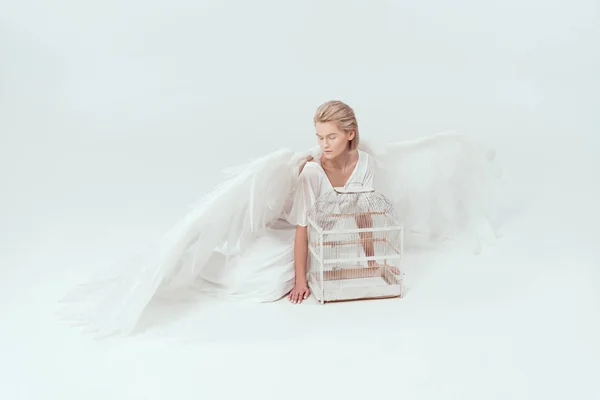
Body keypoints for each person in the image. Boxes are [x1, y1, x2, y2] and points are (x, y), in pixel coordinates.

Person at [59, 100, 501, 337]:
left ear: (350, 135)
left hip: (335, 238)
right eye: (318, 136)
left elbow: (367, 216)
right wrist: (303, 279)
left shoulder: (364, 165)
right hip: (299, 237)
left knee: (312, 273)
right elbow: (304, 227)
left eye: (331, 136)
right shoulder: (310, 171)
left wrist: (375, 262)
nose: (323, 144)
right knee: (256, 281)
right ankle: (185, 267)